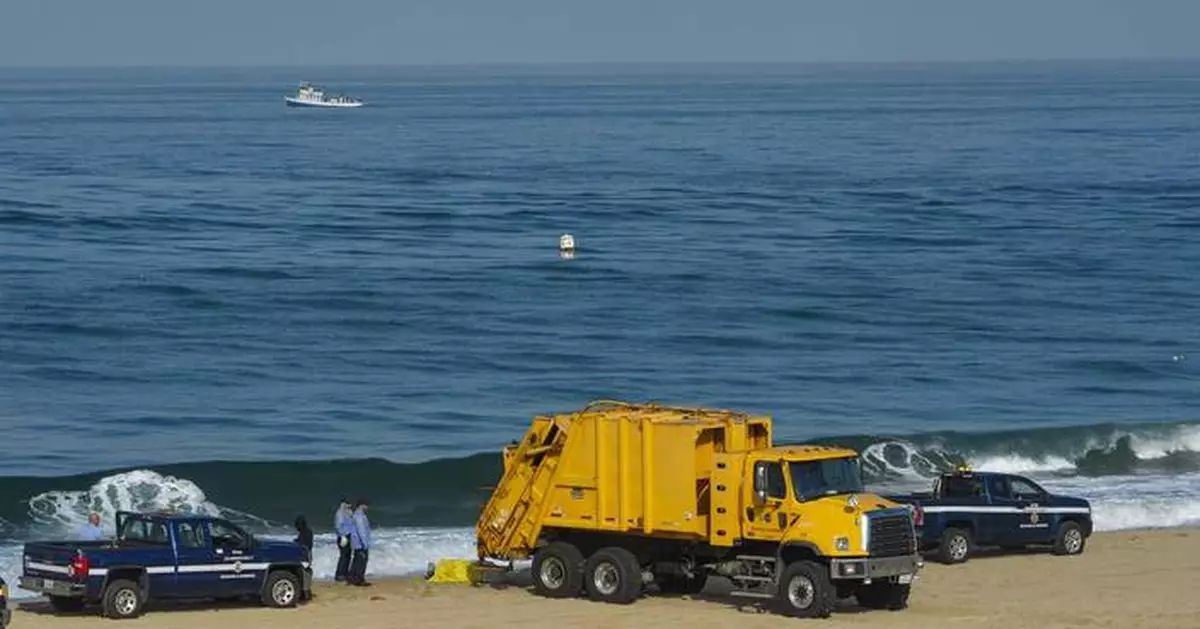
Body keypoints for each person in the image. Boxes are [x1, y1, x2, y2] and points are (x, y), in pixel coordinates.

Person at [347, 499, 371, 586]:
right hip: (360, 543)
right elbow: (362, 531)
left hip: (357, 543)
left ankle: (352, 578)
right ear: (361, 505)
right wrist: (365, 544)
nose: (367, 507)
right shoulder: (359, 516)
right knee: (361, 561)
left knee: (357, 561)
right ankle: (359, 580)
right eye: (366, 505)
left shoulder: (357, 515)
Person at [334, 499, 354, 582]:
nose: (349, 506)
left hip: (349, 536)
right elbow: (338, 526)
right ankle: (339, 574)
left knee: (348, 555)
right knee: (343, 556)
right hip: (343, 536)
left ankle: (345, 573)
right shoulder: (340, 513)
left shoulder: (347, 512)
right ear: (344, 504)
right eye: (348, 504)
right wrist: (342, 536)